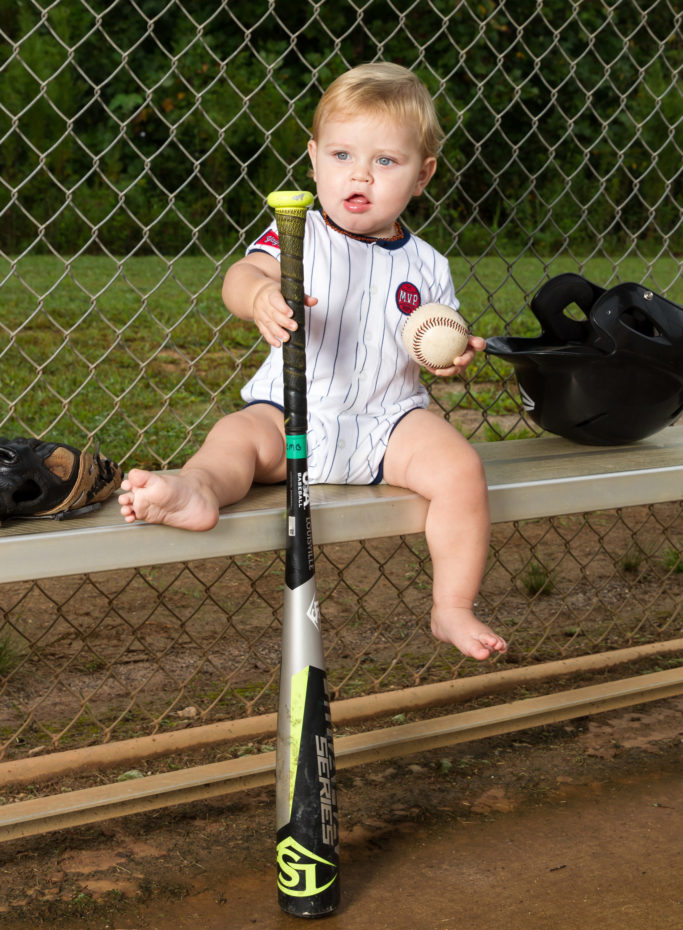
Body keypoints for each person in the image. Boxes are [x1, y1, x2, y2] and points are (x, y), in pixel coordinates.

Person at [119, 62, 507, 661]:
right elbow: (241, 275)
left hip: (388, 422)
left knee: (460, 470)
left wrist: (450, 360)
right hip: (291, 410)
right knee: (236, 438)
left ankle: (451, 606)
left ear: (422, 174)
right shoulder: (299, 233)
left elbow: (434, 340)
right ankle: (194, 489)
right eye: (342, 155)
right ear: (314, 158)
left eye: (386, 161)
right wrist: (258, 298)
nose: (360, 175)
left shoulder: (429, 264)